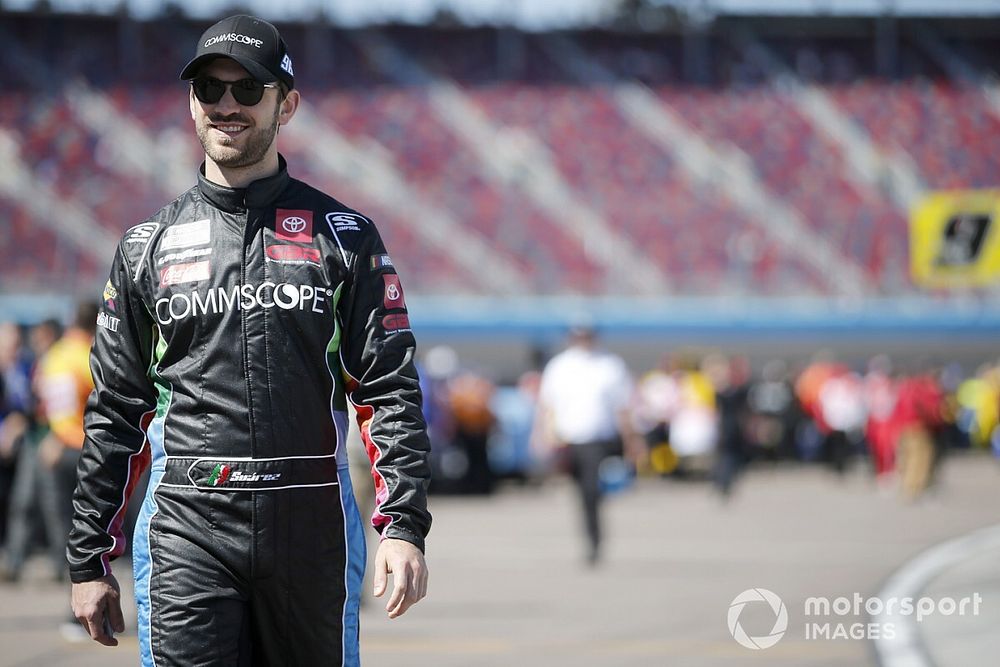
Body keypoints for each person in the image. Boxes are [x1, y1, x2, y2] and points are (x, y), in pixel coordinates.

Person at [67, 15, 431, 665]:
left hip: (312, 526)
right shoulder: (147, 246)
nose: (227, 105)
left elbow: (388, 389)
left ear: (285, 105)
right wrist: (88, 555)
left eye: (248, 88)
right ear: (192, 103)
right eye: (210, 88)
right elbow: (117, 408)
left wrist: (403, 526)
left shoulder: (344, 237)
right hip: (186, 527)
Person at [533, 326, 642, 565]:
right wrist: (541, 435)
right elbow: (547, 405)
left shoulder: (610, 365)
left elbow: (623, 406)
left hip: (599, 439)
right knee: (581, 491)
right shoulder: (560, 366)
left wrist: (632, 440)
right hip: (568, 440)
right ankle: (590, 535)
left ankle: (594, 541)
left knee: (591, 491)